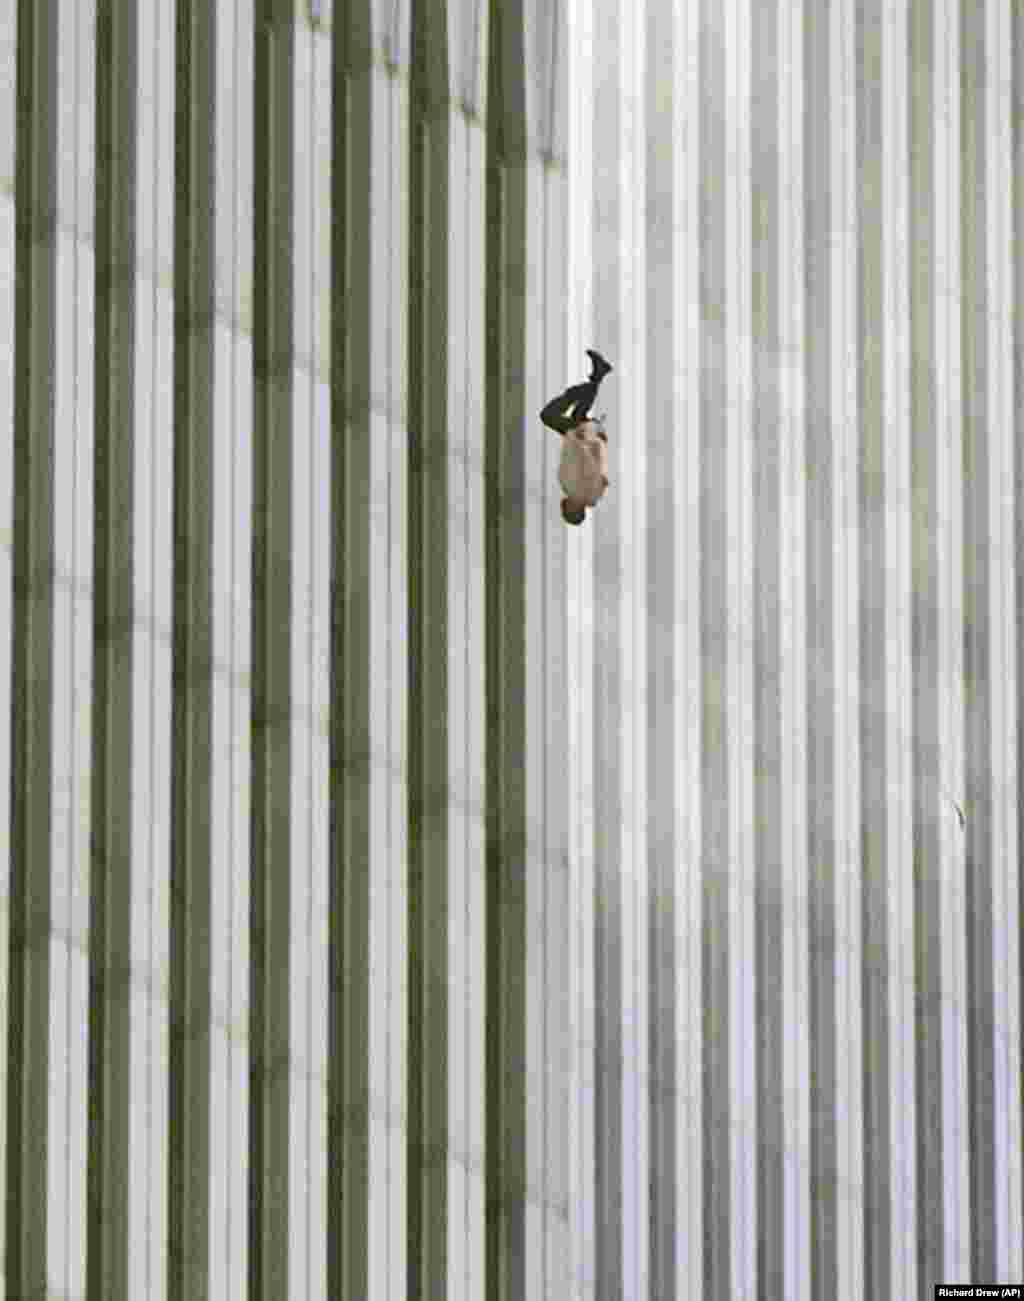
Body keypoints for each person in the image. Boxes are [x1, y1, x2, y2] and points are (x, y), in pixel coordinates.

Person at [540, 350, 614, 525]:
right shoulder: (580, 491)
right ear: (575, 510)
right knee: (549, 416)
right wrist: (579, 439)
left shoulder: (582, 492)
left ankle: (597, 376)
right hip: (582, 438)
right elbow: (590, 465)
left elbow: (598, 471)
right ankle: (587, 384)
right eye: (566, 511)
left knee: (577, 413)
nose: (563, 507)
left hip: (583, 438)